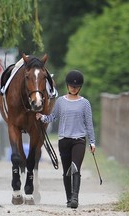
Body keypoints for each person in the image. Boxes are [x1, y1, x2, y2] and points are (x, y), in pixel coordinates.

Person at [36, 70, 96, 209]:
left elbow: (89, 124)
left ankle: (75, 198)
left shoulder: (85, 103)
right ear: (68, 86)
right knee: (67, 171)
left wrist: (92, 141)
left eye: (76, 86)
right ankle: (68, 198)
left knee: (75, 168)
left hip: (79, 140)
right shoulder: (60, 102)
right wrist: (43, 117)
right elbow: (53, 117)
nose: (73, 88)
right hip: (64, 140)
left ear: (79, 87)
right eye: (71, 86)